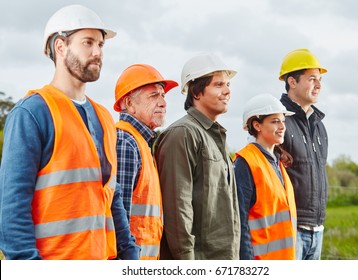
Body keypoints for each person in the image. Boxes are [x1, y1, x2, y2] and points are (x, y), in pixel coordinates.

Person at [0, 4, 140, 260]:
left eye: (100, 45)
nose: (97, 52)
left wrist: (129, 256)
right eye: (88, 43)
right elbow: (12, 208)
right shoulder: (32, 113)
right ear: (60, 47)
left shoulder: (104, 118)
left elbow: (112, 194)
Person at [154, 53, 241, 260]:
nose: (228, 91)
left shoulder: (215, 136)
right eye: (219, 84)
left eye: (228, 84)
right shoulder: (182, 134)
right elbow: (177, 208)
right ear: (196, 91)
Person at [113, 64, 178, 259]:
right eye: (153, 96)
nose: (163, 103)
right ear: (129, 104)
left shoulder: (141, 142)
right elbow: (119, 220)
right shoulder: (125, 142)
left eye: (163, 96)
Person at [278, 48, 328, 260]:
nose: (318, 85)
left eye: (320, 79)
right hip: (290, 228)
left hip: (317, 229)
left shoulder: (319, 126)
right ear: (292, 82)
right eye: (312, 79)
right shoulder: (277, 119)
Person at [234, 94, 297, 260]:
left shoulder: (277, 162)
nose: (282, 126)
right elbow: (240, 223)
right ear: (257, 125)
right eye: (275, 121)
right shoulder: (245, 163)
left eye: (283, 120)